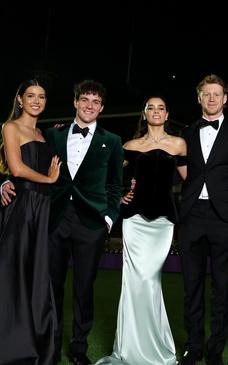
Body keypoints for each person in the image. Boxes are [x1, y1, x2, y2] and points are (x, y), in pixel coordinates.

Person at [95, 95, 186, 365]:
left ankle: (157, 345)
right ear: (144, 113)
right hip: (134, 220)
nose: (156, 112)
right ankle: (131, 347)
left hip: (162, 222)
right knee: (134, 282)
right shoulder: (130, 145)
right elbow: (106, 173)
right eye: (151, 108)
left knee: (150, 279)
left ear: (167, 114)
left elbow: (193, 181)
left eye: (161, 108)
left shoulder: (179, 144)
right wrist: (118, 196)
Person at [46, 80, 123, 365]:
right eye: (85, 100)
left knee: (83, 288)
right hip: (55, 220)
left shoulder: (112, 141)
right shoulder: (52, 136)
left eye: (95, 102)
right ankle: (50, 346)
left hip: (91, 223)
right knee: (52, 286)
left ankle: (79, 348)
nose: (89, 105)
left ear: (101, 108)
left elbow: (117, 184)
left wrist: (108, 218)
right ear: (75, 102)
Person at [177, 74, 228, 365]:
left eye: (216, 94)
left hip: (225, 218)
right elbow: (178, 168)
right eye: (206, 94)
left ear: (225, 99)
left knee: (222, 288)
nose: (211, 99)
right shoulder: (187, 132)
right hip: (193, 215)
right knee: (191, 286)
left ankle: (215, 351)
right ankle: (193, 346)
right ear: (199, 98)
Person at [0, 79, 61, 365]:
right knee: (15, 275)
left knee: (37, 276)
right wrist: (48, 179)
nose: (36, 100)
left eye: (42, 96)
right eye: (31, 95)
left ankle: (36, 341)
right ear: (20, 99)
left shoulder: (42, 133)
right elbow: (16, 167)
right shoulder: (11, 127)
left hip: (43, 208)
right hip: (23, 207)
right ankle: (13, 345)